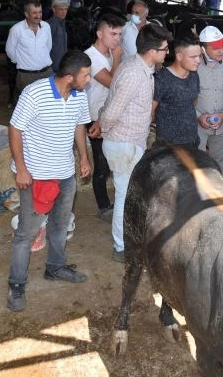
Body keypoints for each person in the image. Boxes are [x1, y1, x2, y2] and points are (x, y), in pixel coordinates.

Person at [6, 50, 92, 312]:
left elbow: (79, 126)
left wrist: (83, 157)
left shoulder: (78, 95)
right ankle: (16, 285)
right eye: (86, 75)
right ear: (69, 77)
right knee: (26, 233)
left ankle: (55, 267)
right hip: (36, 175)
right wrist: (21, 169)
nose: (89, 80)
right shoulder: (34, 93)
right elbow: (15, 129)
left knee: (60, 224)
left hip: (65, 173)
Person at [95, 23, 172, 263]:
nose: (166, 53)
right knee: (124, 196)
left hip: (128, 141)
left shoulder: (137, 66)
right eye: (164, 49)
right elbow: (113, 110)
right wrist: (103, 127)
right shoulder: (134, 73)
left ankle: (125, 241)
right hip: (123, 143)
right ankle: (121, 246)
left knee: (126, 194)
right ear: (152, 51)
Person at [84, 14, 124, 222]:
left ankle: (114, 202)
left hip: (109, 114)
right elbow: (113, 83)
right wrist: (117, 59)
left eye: (119, 34)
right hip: (94, 116)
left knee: (110, 159)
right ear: (100, 34)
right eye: (113, 33)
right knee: (101, 162)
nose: (117, 39)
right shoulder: (91, 57)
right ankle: (103, 205)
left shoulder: (108, 54)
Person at [196, 26, 223, 172]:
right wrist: (198, 116)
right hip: (198, 125)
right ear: (202, 48)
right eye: (215, 48)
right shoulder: (192, 63)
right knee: (197, 161)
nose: (221, 51)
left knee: (219, 162)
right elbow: (186, 94)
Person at [153, 37, 202, 146]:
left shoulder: (194, 75)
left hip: (192, 140)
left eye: (199, 56)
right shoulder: (162, 79)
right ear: (179, 56)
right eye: (193, 57)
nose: (198, 60)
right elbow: (150, 111)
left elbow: (193, 102)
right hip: (169, 145)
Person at [5, 1, 53, 93]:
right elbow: (10, 51)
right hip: (26, 76)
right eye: (34, 13)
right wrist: (22, 62)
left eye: (40, 12)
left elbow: (48, 47)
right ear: (26, 14)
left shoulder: (46, 26)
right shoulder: (16, 29)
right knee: (28, 105)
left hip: (47, 73)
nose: (38, 16)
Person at [48, 0, 69, 75]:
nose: (64, 12)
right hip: (53, 68)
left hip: (61, 66)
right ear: (53, 9)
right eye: (61, 9)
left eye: (66, 9)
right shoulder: (50, 25)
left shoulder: (62, 22)